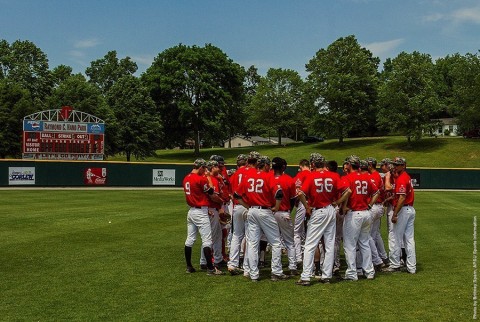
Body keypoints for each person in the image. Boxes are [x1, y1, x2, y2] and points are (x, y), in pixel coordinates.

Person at [295, 153, 347, 286]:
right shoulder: (334, 175)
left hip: (318, 211)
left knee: (310, 244)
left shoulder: (311, 176)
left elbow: (300, 193)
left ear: (312, 164)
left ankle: (306, 276)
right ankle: (326, 275)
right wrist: (338, 201)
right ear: (323, 163)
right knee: (329, 245)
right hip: (330, 209)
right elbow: (348, 190)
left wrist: (306, 206)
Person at [234, 154, 288, 282]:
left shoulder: (248, 177)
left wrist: (247, 206)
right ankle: (276, 272)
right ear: (265, 165)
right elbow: (279, 193)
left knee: (252, 243)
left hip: (252, 210)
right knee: (275, 242)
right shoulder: (268, 176)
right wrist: (276, 207)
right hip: (264, 211)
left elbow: (237, 195)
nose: (270, 167)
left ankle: (253, 274)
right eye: (268, 165)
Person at [182, 158, 223, 275]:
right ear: (200, 167)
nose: (205, 170)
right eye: (204, 168)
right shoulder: (200, 178)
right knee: (207, 241)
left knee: (190, 239)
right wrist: (220, 201)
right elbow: (211, 193)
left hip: (191, 211)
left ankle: (189, 266)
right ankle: (210, 269)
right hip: (200, 212)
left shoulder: (186, 178)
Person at [342, 156, 379, 281]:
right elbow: (376, 193)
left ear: (349, 165)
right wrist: (370, 205)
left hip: (354, 214)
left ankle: (352, 273)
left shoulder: (347, 177)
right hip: (366, 212)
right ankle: (369, 271)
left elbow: (346, 192)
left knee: (350, 245)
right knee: (364, 243)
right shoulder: (366, 177)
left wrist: (343, 206)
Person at [383, 157, 416, 274]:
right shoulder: (406, 177)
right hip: (410, 209)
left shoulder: (402, 178)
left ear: (404, 166)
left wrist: (395, 213)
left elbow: (402, 198)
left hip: (403, 210)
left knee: (395, 237)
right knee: (409, 239)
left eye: (398, 165)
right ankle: (411, 267)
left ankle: (395, 264)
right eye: (395, 164)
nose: (395, 166)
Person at [271, 157, 298, 275]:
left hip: (270, 213)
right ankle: (292, 267)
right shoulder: (289, 179)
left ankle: (276, 268)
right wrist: (289, 211)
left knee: (275, 242)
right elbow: (293, 199)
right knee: (289, 242)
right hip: (284, 212)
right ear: (283, 167)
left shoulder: (268, 178)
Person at [199, 160, 226, 269]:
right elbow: (213, 196)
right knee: (210, 236)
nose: (219, 168)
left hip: (212, 209)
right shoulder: (210, 179)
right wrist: (221, 203)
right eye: (217, 166)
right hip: (211, 209)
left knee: (216, 235)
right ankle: (205, 261)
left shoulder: (214, 178)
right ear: (212, 167)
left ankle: (217, 259)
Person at [227, 154, 249, 275]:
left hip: (236, 206)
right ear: (246, 163)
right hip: (248, 206)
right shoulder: (249, 172)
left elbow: (231, 194)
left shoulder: (234, 175)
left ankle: (232, 264)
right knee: (249, 236)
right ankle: (247, 266)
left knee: (236, 235)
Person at [366, 157, 388, 267]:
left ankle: (377, 260)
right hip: (379, 206)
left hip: (373, 206)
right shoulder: (379, 176)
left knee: (367, 235)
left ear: (370, 165)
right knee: (375, 235)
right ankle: (383, 257)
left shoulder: (373, 176)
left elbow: (375, 193)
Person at [293, 159, 311, 266]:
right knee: (311, 231)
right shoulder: (314, 174)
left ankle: (299, 257)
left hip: (303, 203)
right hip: (314, 204)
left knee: (297, 232)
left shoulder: (301, 174)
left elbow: (297, 191)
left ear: (301, 166)